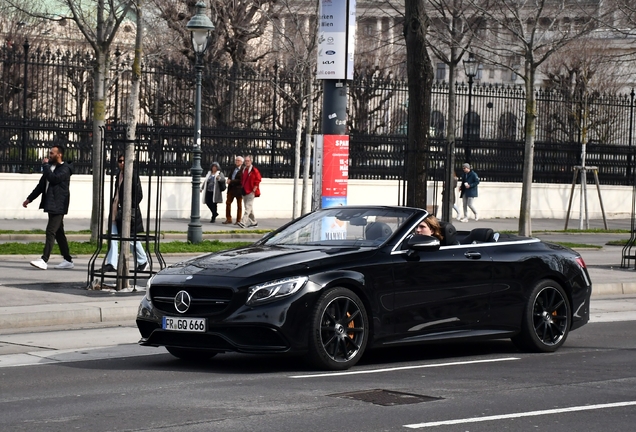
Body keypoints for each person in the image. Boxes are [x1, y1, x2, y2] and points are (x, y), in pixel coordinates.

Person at [22, 145, 74, 270]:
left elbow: (54, 179)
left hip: (59, 205)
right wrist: (29, 199)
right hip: (52, 204)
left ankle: (44, 260)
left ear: (59, 154)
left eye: (52, 153)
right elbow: (41, 186)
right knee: (59, 233)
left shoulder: (65, 169)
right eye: (49, 153)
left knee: (51, 231)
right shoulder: (50, 168)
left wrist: (45, 166)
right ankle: (67, 259)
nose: (49, 155)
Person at [102, 155, 148, 273]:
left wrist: (128, 206)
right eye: (120, 161)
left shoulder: (133, 175)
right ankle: (112, 263)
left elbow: (139, 195)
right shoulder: (119, 175)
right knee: (113, 236)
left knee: (130, 238)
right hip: (116, 210)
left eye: (124, 161)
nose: (122, 163)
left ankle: (143, 260)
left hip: (127, 212)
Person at [237, 155, 262, 228]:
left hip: (251, 191)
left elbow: (258, 179)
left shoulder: (254, 170)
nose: (246, 162)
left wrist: (254, 188)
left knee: (248, 207)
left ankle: (243, 222)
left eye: (248, 161)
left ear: (251, 161)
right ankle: (254, 222)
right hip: (245, 191)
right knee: (249, 208)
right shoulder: (244, 169)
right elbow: (242, 179)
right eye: (246, 161)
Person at [223, 156, 244, 225]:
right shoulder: (233, 168)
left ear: (241, 162)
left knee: (239, 205)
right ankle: (228, 218)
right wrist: (229, 180)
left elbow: (240, 180)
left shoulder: (243, 169)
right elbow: (230, 175)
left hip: (238, 189)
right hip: (231, 188)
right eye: (236, 160)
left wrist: (231, 181)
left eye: (238, 161)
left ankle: (238, 220)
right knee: (228, 203)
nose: (237, 162)